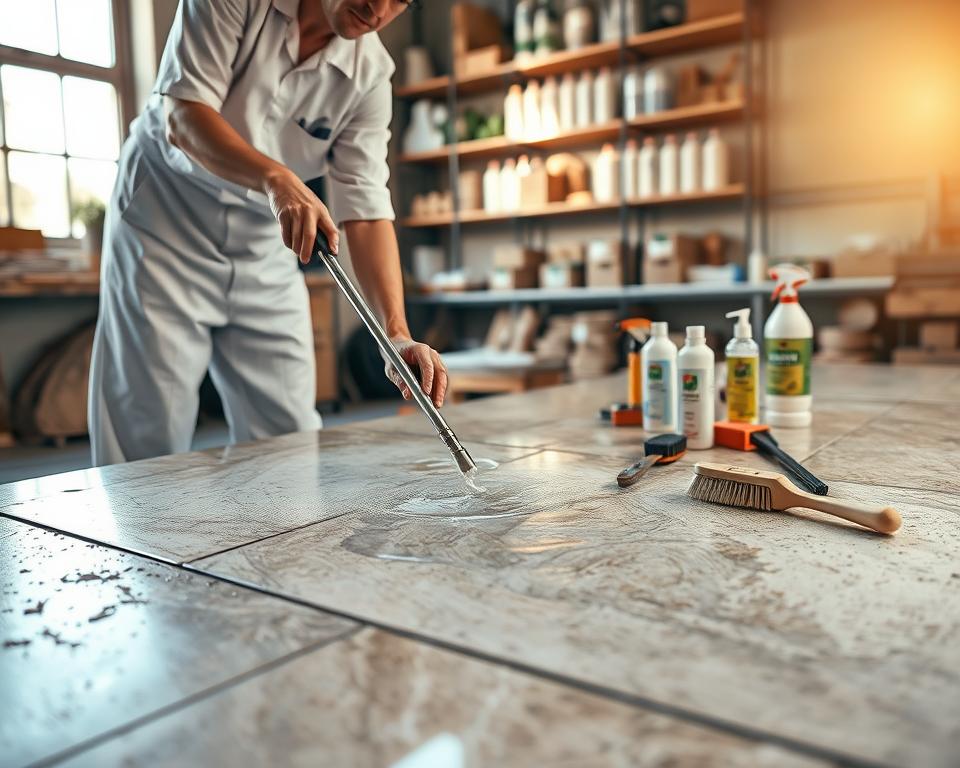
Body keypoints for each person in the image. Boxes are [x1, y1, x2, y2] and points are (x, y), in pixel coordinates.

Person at [88, 0, 447, 465]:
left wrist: (395, 334)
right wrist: (276, 178)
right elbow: (183, 115)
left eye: (401, 0)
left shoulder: (371, 74)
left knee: (290, 440)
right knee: (145, 431)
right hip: (166, 222)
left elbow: (366, 207)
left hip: (266, 239)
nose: (378, 8)